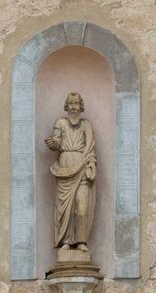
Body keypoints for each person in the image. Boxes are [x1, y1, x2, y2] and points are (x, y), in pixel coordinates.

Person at [45, 91, 97, 252]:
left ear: (81, 107)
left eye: (76, 104)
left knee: (82, 208)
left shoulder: (86, 125)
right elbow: (57, 142)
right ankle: (66, 241)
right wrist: (53, 144)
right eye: (71, 104)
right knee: (65, 207)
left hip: (82, 167)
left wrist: (90, 165)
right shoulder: (60, 123)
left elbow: (90, 148)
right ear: (67, 106)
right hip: (65, 168)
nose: (74, 107)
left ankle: (81, 241)